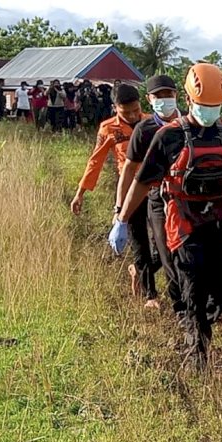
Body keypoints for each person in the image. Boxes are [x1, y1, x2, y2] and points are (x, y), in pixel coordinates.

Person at [111, 63, 222, 370]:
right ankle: (196, 353)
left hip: (219, 223)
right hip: (184, 225)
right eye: (204, 105)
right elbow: (142, 181)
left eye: (215, 105)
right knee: (193, 290)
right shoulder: (168, 137)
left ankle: (200, 320)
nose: (210, 111)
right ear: (189, 100)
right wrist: (122, 218)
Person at [71, 85, 150, 302]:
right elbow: (95, 161)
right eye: (126, 112)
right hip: (129, 190)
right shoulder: (108, 129)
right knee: (140, 242)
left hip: (156, 188)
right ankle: (149, 293)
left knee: (166, 242)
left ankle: (141, 269)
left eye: (136, 110)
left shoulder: (151, 122)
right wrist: (80, 193)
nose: (132, 116)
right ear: (115, 108)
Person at [119, 75, 184, 312]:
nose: (164, 100)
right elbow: (128, 170)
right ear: (149, 99)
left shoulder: (188, 123)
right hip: (145, 192)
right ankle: (157, 296)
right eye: (158, 96)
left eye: (168, 94)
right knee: (149, 245)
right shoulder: (144, 130)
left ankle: (141, 270)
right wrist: (120, 212)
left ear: (177, 95)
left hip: (182, 196)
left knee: (170, 248)